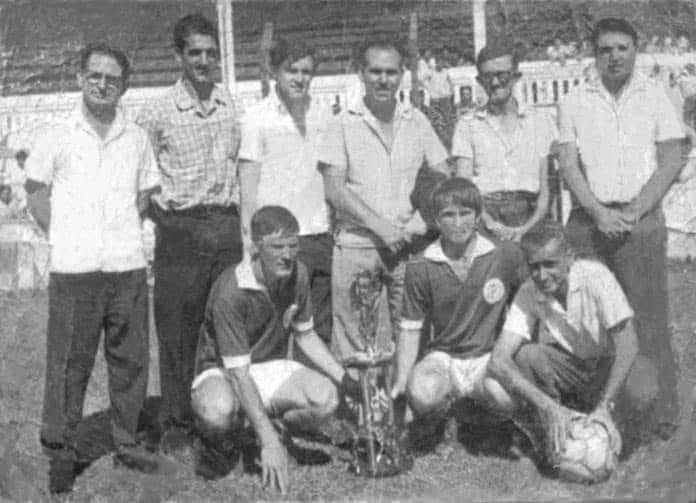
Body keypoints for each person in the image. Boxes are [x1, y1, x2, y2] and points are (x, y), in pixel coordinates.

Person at [24, 43, 162, 493]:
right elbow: (36, 191)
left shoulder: (136, 137)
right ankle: (62, 449)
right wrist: (64, 235)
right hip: (75, 270)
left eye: (113, 78)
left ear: (125, 85)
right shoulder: (57, 134)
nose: (103, 85)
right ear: (80, 78)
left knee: (130, 359)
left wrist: (121, 232)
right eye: (95, 76)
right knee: (69, 363)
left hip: (126, 266)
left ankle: (127, 441)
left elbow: (144, 194)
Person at [558, 18, 685, 439]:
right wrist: (597, 212)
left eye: (622, 48)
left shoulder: (657, 96)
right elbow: (569, 165)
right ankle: (591, 408)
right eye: (606, 49)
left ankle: (660, 413)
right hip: (589, 222)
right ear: (594, 55)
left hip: (640, 220)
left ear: (635, 49)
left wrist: (635, 210)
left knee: (649, 318)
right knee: (589, 318)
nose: (614, 56)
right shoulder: (574, 101)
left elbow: (671, 159)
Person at [190, 206, 360, 493]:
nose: (287, 255)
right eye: (277, 247)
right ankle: (224, 442)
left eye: (293, 245)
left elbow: (306, 336)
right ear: (255, 248)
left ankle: (269, 427)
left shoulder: (298, 273)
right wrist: (269, 443)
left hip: (268, 367)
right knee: (216, 411)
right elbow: (239, 375)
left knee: (327, 399)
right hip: (224, 372)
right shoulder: (230, 291)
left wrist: (346, 381)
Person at [136, 14, 244, 451]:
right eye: (194, 52)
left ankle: (228, 415)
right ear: (178, 55)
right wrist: (158, 224)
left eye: (210, 53)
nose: (203, 61)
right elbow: (140, 175)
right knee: (178, 330)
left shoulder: (229, 102)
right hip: (180, 230)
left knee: (228, 323)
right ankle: (178, 423)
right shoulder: (158, 111)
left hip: (226, 227)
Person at [318, 37, 449, 361]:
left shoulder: (417, 121)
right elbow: (334, 189)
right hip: (358, 247)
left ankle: (403, 396)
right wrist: (381, 228)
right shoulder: (342, 123)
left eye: (391, 72)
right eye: (375, 71)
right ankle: (363, 398)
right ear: (361, 73)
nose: (383, 80)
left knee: (411, 343)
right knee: (360, 350)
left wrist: (419, 223)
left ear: (402, 74)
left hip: (408, 248)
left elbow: (442, 175)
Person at [489, 221, 647, 465]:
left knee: (644, 386)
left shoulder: (596, 276)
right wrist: (547, 406)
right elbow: (498, 359)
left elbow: (628, 343)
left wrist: (606, 404)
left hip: (607, 364)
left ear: (569, 258)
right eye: (534, 267)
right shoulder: (528, 291)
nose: (542, 275)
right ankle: (554, 425)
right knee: (526, 356)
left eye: (550, 264)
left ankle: (612, 424)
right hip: (572, 367)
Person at [390, 178, 525, 447]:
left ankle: (476, 419)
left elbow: (528, 303)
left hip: (489, 356)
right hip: (445, 356)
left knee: (505, 396)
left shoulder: (505, 254)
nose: (458, 222)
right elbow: (410, 329)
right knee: (423, 392)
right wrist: (403, 384)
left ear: (478, 216)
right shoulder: (420, 265)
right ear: (436, 220)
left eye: (465, 213)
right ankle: (443, 414)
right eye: (448, 215)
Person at [238, 39, 333, 348]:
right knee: (271, 339)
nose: (300, 78)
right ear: (274, 72)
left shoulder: (323, 115)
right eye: (292, 70)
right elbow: (248, 191)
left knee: (318, 337)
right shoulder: (256, 118)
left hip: (317, 238)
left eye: (306, 72)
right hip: (275, 242)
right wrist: (251, 244)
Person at [451, 42, 558, 242]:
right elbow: (465, 188)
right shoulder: (467, 125)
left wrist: (528, 227)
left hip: (532, 215)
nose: (495, 83)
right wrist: (491, 224)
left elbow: (547, 189)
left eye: (502, 75)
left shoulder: (540, 121)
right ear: (479, 80)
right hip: (485, 215)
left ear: (516, 76)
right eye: (487, 76)